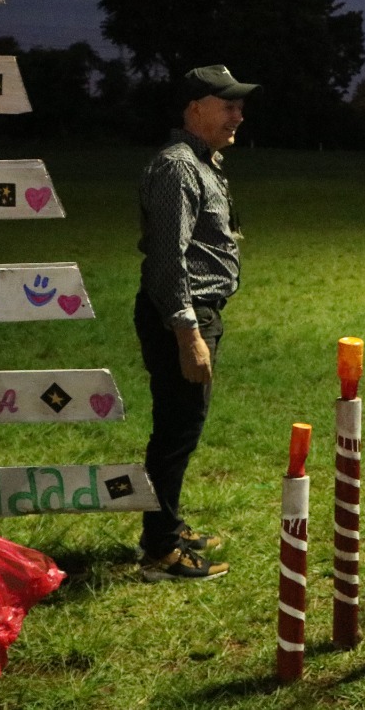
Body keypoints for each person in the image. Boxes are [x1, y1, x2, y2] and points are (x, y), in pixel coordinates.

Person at [135, 65, 258, 581]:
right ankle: (161, 550)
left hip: (195, 311)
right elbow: (168, 259)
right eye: (225, 104)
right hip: (182, 316)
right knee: (177, 431)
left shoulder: (203, 162)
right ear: (194, 109)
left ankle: (167, 525)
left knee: (182, 426)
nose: (237, 114)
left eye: (238, 105)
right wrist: (188, 335)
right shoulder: (179, 167)